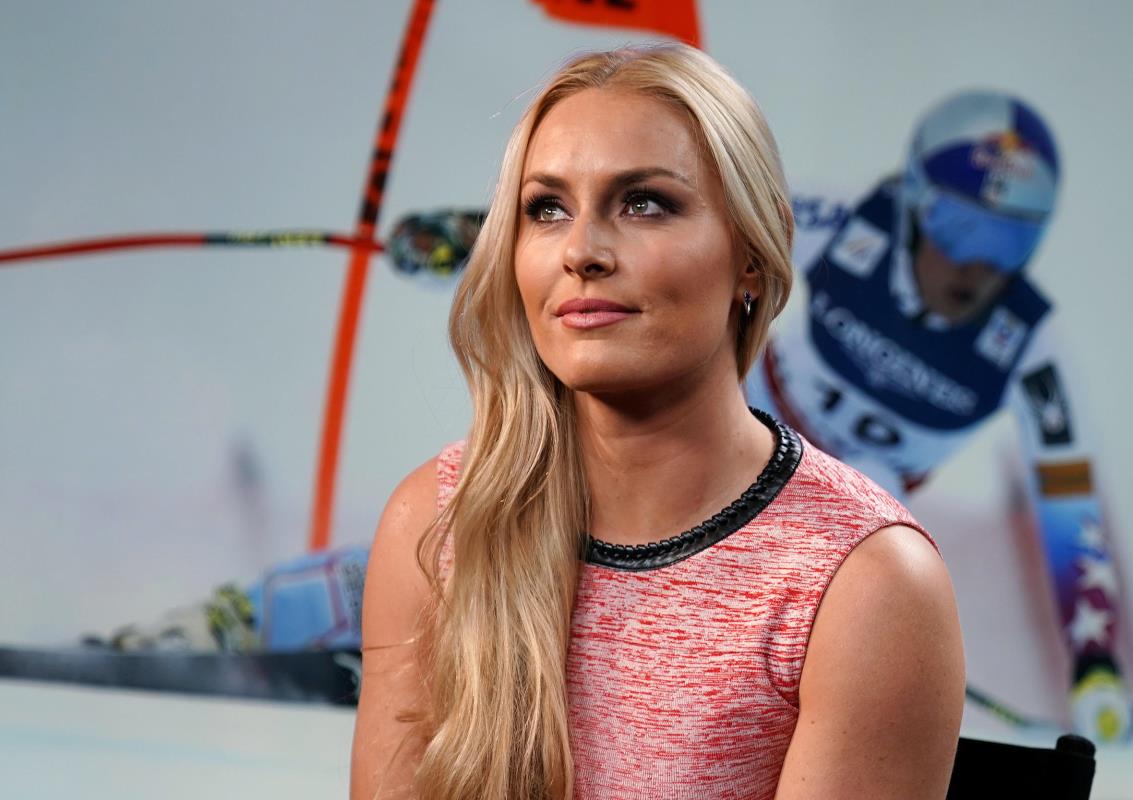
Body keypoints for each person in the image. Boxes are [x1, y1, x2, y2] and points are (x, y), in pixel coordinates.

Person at [382, 89, 1133, 745]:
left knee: (864, 500)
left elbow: (1071, 507)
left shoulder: (1033, 348)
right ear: (912, 198)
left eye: (1012, 239)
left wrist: (1096, 660)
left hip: (832, 512)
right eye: (959, 227)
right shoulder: (841, 220)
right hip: (744, 432)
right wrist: (473, 239)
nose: (977, 266)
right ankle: (406, 604)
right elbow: (669, 238)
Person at [351, 43, 963, 800]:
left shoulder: (866, 582)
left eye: (643, 203)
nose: (581, 251)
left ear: (754, 251)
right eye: (547, 209)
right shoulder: (436, 522)